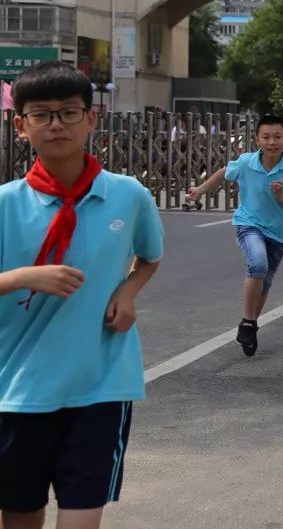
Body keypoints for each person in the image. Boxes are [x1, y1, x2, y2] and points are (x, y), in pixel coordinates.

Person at [0, 62, 163, 529]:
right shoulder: (6, 204)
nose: (57, 124)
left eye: (69, 112)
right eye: (42, 114)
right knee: (20, 516)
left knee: (79, 520)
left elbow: (149, 258)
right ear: (20, 125)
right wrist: (24, 277)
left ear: (92, 119)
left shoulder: (128, 196)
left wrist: (128, 292)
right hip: (17, 389)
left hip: (100, 383)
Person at [187, 115, 283, 355]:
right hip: (248, 224)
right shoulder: (246, 162)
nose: (272, 142)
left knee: (264, 281)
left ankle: (251, 323)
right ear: (257, 139)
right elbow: (224, 172)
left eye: (277, 136)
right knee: (257, 263)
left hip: (278, 233)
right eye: (266, 137)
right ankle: (247, 320)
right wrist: (199, 190)